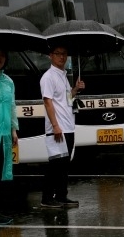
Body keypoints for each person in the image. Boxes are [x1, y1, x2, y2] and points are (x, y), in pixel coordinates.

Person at [40, 46, 85, 208]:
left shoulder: (63, 76)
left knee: (64, 164)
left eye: (64, 54)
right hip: (57, 128)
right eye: (58, 54)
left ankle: (61, 195)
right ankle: (46, 198)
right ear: (50, 56)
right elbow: (48, 101)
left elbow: (66, 99)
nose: (62, 57)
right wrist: (55, 125)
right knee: (55, 164)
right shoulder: (48, 77)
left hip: (68, 126)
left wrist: (75, 90)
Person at [0, 49, 18, 225]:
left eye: (2, 54)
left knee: (1, 174)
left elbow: (12, 107)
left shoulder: (8, 82)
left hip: (3, 134)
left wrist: (14, 130)